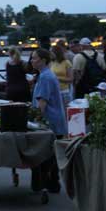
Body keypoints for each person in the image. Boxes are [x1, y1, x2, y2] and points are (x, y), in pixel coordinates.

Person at [31, 48, 67, 192]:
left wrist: (34, 120)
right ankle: (53, 184)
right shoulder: (47, 75)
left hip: (50, 121)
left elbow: (42, 104)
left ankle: (45, 184)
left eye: (34, 58)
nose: (32, 61)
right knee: (52, 155)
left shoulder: (45, 77)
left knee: (44, 155)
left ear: (43, 60)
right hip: (56, 121)